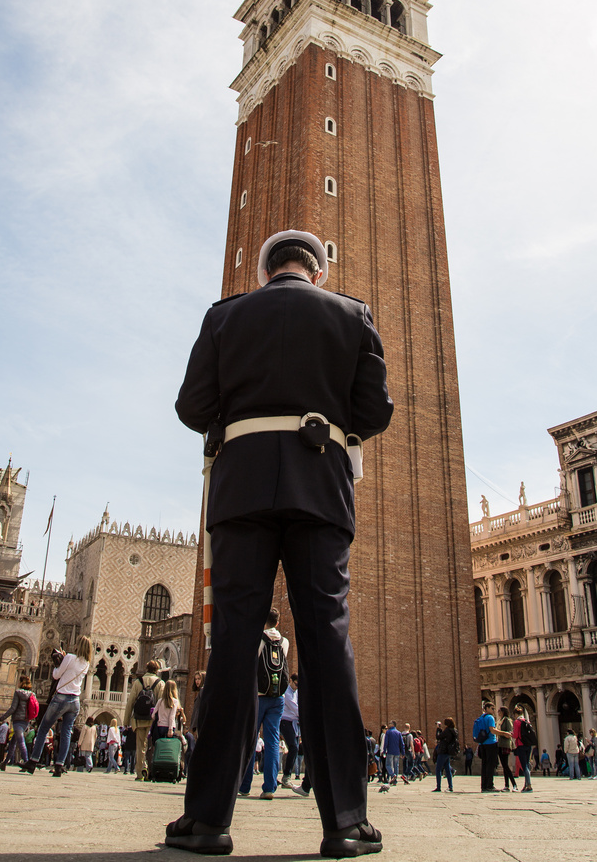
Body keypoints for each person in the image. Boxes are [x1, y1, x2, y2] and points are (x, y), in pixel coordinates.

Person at [168, 229, 393, 858]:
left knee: (234, 643)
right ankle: (345, 820)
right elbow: (375, 413)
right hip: (321, 489)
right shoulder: (353, 315)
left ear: (266, 272)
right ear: (317, 272)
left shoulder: (225, 316)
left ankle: (207, 820)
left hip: (240, 492)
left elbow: (191, 406)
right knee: (327, 641)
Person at [23, 634, 92, 778]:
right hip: (75, 702)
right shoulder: (86, 663)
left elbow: (56, 675)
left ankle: (33, 761)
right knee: (66, 733)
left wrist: (59, 663)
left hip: (61, 698)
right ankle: (59, 765)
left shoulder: (70, 658)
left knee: (43, 729)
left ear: (77, 645)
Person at [238, 608, 289, 800]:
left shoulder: (257, 640)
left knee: (251, 740)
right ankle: (269, 787)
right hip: (278, 698)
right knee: (273, 741)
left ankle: (244, 785)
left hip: (258, 696)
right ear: (278, 622)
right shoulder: (285, 642)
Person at [124, 659, 165, 782]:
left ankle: (140, 772)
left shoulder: (138, 682)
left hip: (139, 719)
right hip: (153, 721)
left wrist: (126, 721)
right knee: (152, 747)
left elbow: (130, 702)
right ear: (157, 670)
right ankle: (151, 771)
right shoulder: (160, 683)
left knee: (140, 747)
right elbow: (161, 703)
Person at [0, 674, 35, 770]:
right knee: (13, 742)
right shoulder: (32, 694)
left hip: (18, 720)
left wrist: (2, 718)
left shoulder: (18, 693)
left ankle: (27, 764)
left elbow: (13, 708)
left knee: (21, 741)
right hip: (26, 720)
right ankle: (4, 763)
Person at [473, 700, 510, 793]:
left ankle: (484, 786)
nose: (493, 710)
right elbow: (492, 730)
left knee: (484, 765)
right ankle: (490, 785)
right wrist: (504, 733)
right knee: (491, 765)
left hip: (482, 744)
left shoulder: (481, 717)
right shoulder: (490, 718)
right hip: (491, 743)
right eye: (492, 708)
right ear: (487, 709)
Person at [279, 672, 299, 789]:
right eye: (296, 684)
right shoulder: (287, 692)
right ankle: (286, 777)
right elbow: (295, 708)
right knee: (294, 747)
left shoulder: (295, 692)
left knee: (294, 749)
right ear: (290, 680)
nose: (297, 687)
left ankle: (287, 776)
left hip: (293, 723)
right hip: (286, 722)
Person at [512, 704, 534, 793]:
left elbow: (515, 735)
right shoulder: (526, 721)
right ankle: (526, 785)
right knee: (527, 764)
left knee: (524, 765)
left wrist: (511, 734)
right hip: (528, 745)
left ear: (515, 714)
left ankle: (529, 786)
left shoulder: (517, 722)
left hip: (520, 745)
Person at [433, 717, 458, 792]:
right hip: (449, 752)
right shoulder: (454, 730)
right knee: (447, 769)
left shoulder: (447, 731)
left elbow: (438, 737)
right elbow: (443, 736)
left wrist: (438, 729)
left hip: (443, 751)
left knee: (438, 769)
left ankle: (438, 787)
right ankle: (450, 787)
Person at [496, 707, 517, 792]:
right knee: (504, 766)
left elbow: (510, 732)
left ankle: (514, 784)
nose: (498, 712)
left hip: (505, 745)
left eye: (499, 711)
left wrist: (500, 733)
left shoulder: (507, 720)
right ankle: (507, 786)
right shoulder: (500, 720)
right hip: (500, 744)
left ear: (503, 712)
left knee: (505, 765)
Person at [382, 722, 405, 786]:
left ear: (393, 724)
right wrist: (403, 752)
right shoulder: (399, 733)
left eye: (390, 723)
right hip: (397, 752)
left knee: (388, 765)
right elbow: (402, 743)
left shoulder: (388, 732)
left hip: (390, 751)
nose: (388, 725)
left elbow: (386, 742)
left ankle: (392, 775)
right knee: (396, 766)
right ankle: (395, 780)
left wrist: (384, 751)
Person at [190, 671, 204, 736]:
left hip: (200, 723)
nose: (197, 681)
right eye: (196, 679)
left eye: (199, 679)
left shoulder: (202, 691)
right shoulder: (201, 691)